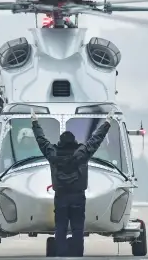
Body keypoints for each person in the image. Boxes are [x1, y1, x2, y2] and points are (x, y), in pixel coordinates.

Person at [30, 108, 115, 257]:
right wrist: (107, 123)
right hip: (78, 196)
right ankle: (77, 254)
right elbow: (96, 140)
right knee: (77, 228)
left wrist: (35, 123)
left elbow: (41, 141)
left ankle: (60, 254)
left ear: (60, 143)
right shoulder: (82, 153)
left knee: (60, 228)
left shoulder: (53, 153)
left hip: (61, 196)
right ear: (74, 142)